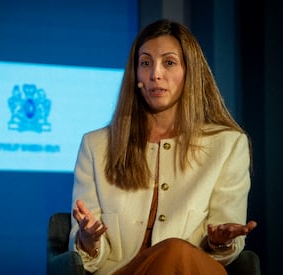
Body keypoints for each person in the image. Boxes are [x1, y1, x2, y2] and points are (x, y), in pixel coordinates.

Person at [68, 19, 257, 275]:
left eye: (169, 62)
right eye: (145, 63)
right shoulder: (96, 145)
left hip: (194, 269)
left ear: (190, 71)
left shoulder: (228, 143)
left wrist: (219, 241)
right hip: (122, 271)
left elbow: (228, 244)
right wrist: (88, 240)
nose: (155, 73)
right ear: (136, 74)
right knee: (173, 252)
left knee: (177, 253)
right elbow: (86, 250)